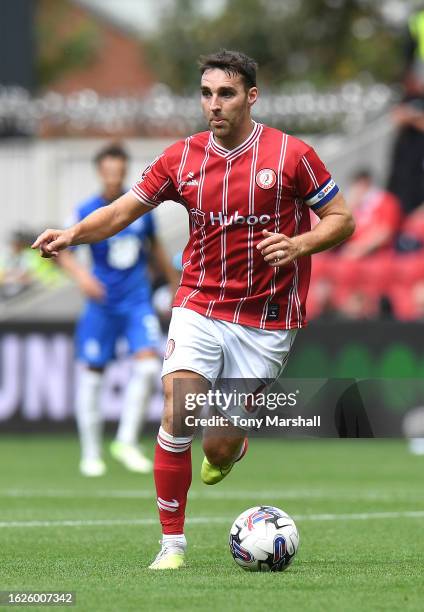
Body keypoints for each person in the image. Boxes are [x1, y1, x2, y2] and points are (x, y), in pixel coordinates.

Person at [32, 50, 355, 568]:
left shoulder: (292, 155)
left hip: (266, 318)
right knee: (176, 407)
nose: (214, 105)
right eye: (206, 94)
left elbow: (341, 218)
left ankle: (232, 445)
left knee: (217, 448)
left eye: (225, 93)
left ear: (251, 96)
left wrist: (301, 245)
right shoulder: (181, 158)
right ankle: (172, 544)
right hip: (199, 303)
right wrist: (71, 234)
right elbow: (122, 211)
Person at [58, 143, 179, 477]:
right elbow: (63, 247)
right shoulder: (86, 208)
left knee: (147, 367)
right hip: (101, 304)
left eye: (120, 169)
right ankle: (91, 453)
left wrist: (173, 284)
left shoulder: (138, 208)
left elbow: (155, 247)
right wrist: (83, 278)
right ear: (100, 171)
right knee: (93, 375)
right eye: (109, 169)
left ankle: (126, 441)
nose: (114, 175)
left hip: (136, 300)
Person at [341, 170, 402, 259]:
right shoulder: (350, 205)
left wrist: (361, 248)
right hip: (351, 251)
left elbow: (385, 233)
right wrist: (350, 206)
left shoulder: (386, 201)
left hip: (379, 254)